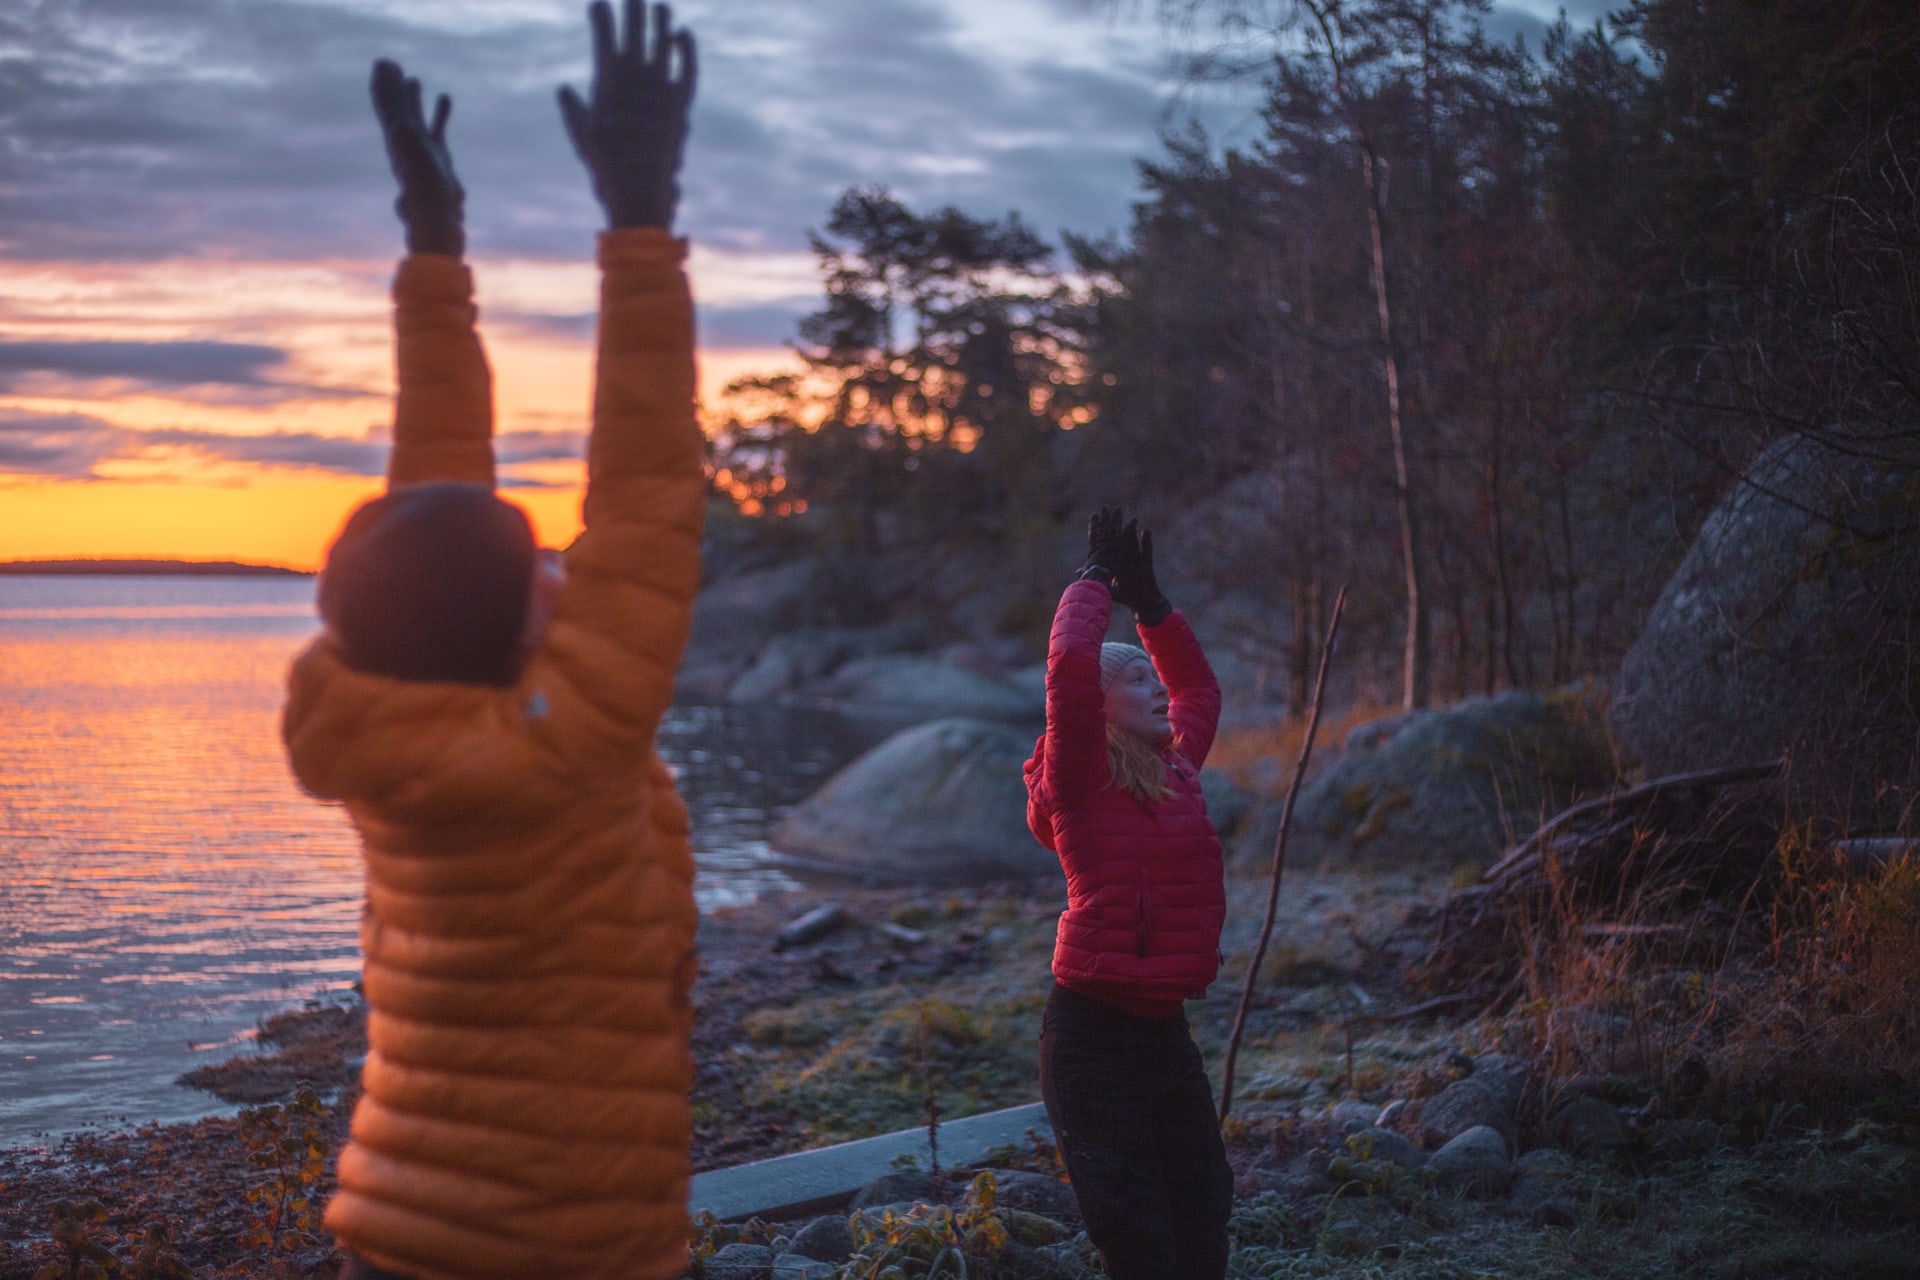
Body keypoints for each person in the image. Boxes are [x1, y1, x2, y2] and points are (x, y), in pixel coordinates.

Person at [281, 3, 703, 1276]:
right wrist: (639, 229)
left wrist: (435, 249)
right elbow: (645, 493)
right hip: (565, 1247)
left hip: (397, 1229)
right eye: (540, 572)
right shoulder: (566, 742)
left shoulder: (387, 715)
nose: (564, 577)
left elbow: (435, 507)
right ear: (504, 618)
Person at [1022, 506, 1235, 1280]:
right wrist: (1091, 586)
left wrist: (1152, 610)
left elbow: (1199, 687)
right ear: (1100, 707)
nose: (1152, 684)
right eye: (1133, 676)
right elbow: (1069, 672)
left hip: (1164, 1034)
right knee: (1141, 1243)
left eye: (1148, 674)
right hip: (1092, 1038)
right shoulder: (1078, 777)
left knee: (1204, 1216)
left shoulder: (1175, 769)